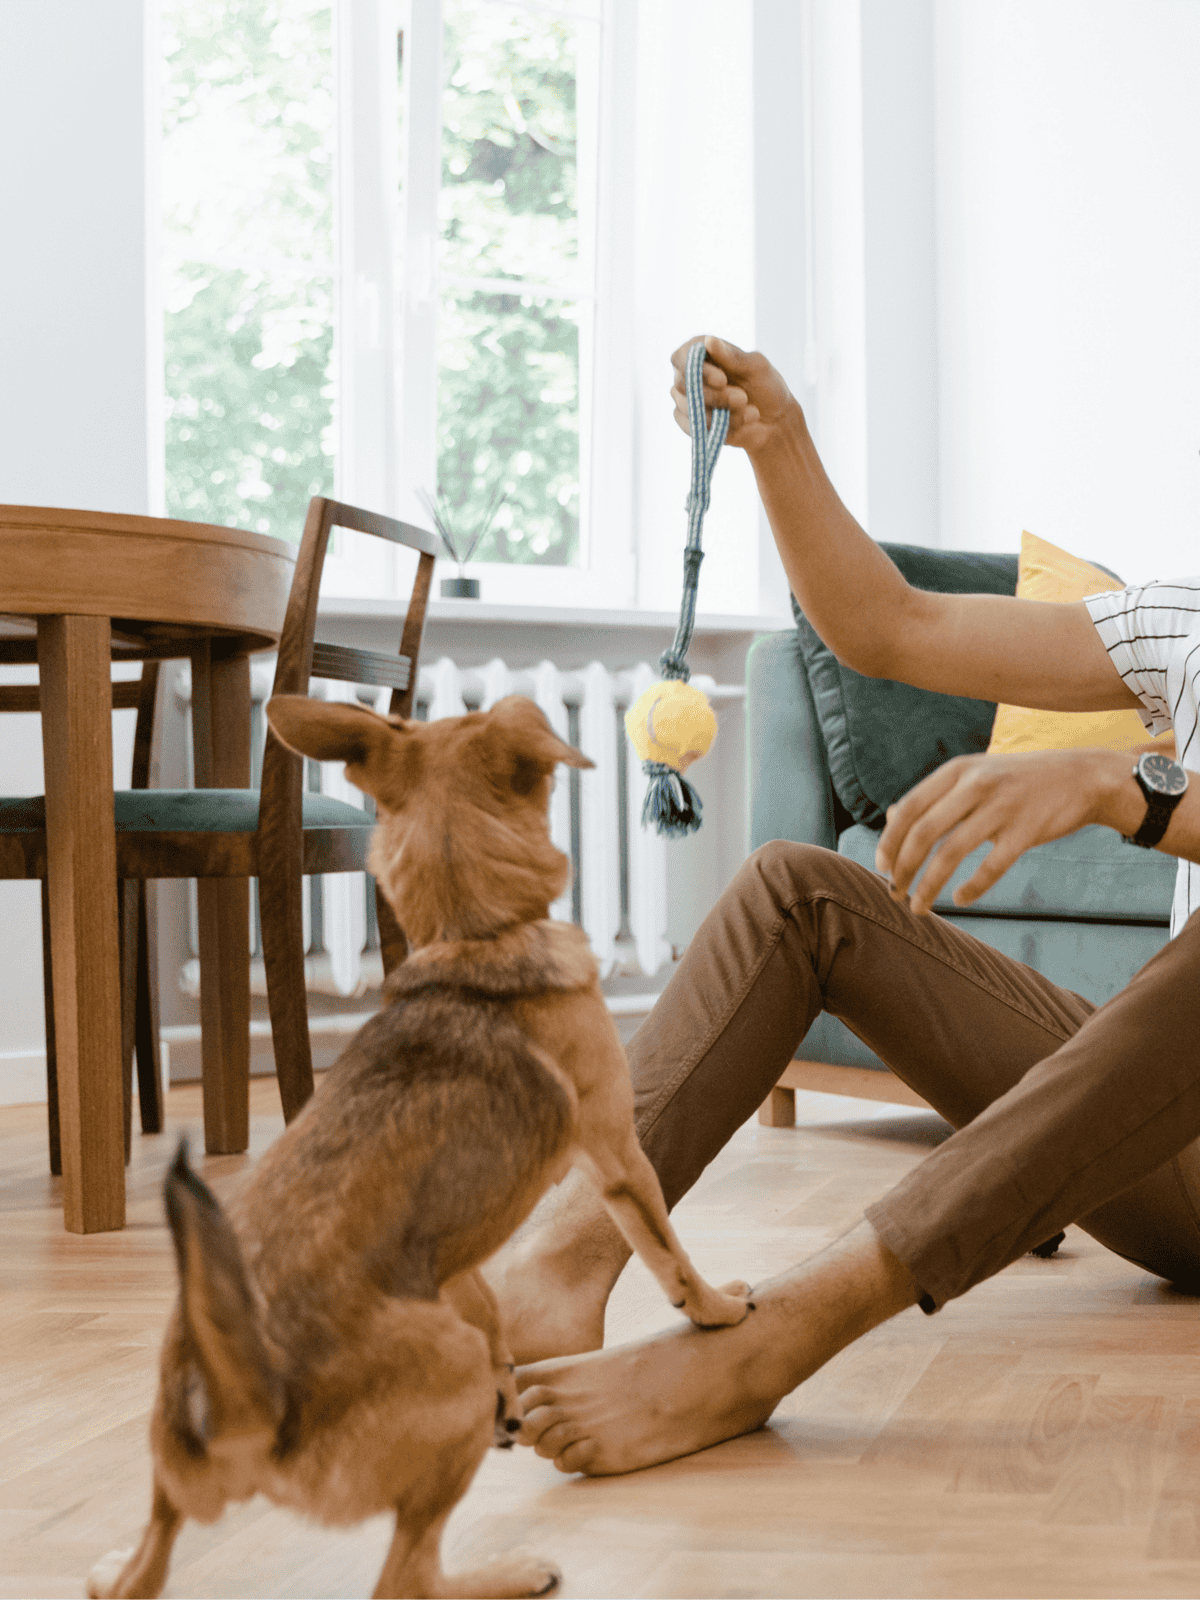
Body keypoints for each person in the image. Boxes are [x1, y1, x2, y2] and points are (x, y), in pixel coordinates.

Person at [481, 335, 1200, 1480]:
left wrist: (1120, 786)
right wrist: (781, 445)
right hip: (1178, 1150)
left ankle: (784, 1332)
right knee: (795, 893)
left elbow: (1134, 792)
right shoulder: (1183, 629)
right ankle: (559, 1265)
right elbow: (892, 628)